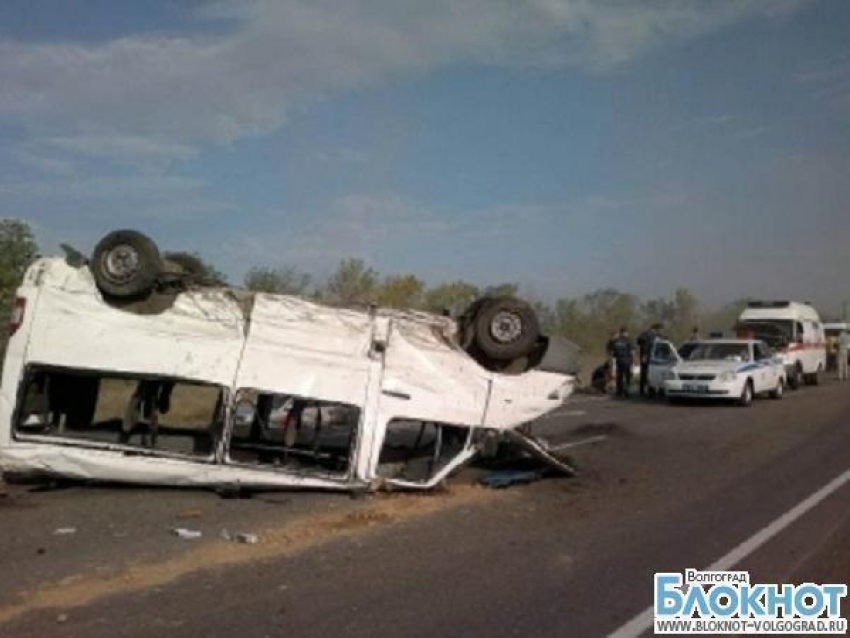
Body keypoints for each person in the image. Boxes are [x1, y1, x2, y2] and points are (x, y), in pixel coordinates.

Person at [636, 323, 663, 397]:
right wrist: (644, 355)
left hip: (652, 358)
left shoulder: (656, 335)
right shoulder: (648, 335)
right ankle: (647, 391)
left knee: (647, 373)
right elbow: (644, 344)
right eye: (659, 330)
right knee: (645, 373)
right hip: (647, 357)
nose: (660, 331)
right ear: (655, 329)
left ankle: (648, 390)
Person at [611, 327, 635, 398]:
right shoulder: (629, 341)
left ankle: (619, 391)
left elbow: (612, 352)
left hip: (618, 360)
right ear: (625, 332)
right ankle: (627, 392)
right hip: (627, 360)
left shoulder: (615, 341)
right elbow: (632, 352)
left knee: (619, 376)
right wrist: (633, 363)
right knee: (627, 377)